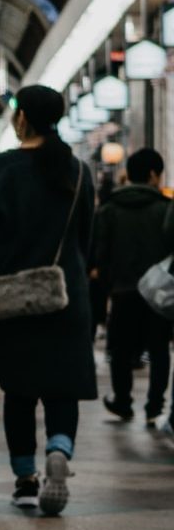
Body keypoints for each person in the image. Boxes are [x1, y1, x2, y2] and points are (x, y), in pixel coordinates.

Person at [0, 86, 96, 516]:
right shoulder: (77, 171)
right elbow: (86, 240)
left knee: (19, 391)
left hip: (13, 298)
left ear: (21, 119)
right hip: (66, 295)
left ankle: (24, 479)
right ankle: (59, 447)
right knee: (63, 387)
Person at [92, 148, 171, 426]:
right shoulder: (164, 209)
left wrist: (107, 287)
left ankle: (123, 401)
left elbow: (99, 253)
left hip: (122, 291)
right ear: (152, 175)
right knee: (158, 349)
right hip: (158, 294)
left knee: (120, 350)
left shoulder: (109, 209)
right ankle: (154, 406)